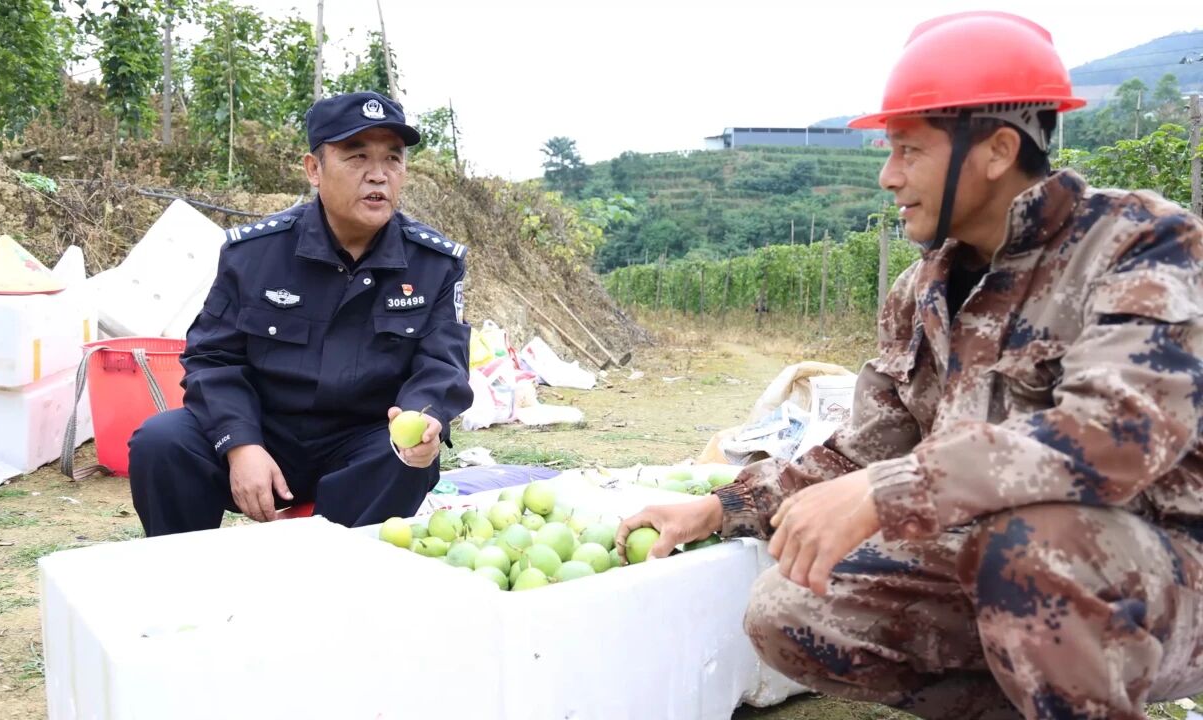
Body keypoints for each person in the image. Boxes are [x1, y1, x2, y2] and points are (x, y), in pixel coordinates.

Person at [618, 11, 1203, 719]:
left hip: (1164, 576)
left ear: (996, 150)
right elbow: (866, 449)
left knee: (1032, 549)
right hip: (1008, 569)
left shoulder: (1140, 246)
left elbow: (1113, 437)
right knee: (791, 609)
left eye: (908, 151)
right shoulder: (921, 291)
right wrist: (722, 506)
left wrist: (888, 491)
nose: (887, 176)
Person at [128, 91, 473, 536]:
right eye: (357, 156)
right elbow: (213, 358)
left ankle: (335, 567)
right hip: (264, 429)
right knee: (162, 441)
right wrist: (240, 444)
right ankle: (186, 569)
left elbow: (441, 364)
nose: (378, 175)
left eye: (393, 158)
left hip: (361, 442)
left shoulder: (434, 263)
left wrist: (424, 420)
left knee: (403, 459)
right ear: (314, 169)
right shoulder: (255, 254)